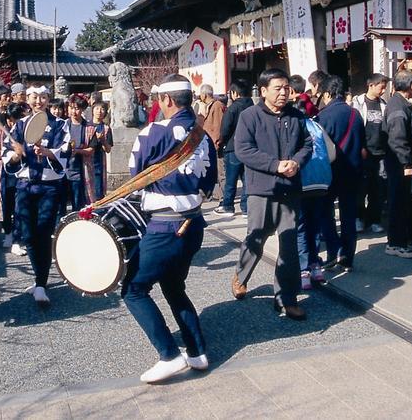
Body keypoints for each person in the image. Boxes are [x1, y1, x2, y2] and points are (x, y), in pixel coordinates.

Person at [122, 74, 217, 383]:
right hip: (194, 223)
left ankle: (169, 354)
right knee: (174, 286)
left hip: (164, 226)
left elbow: (135, 177)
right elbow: (210, 181)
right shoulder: (203, 135)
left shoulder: (153, 132)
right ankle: (197, 352)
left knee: (133, 289)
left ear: (166, 100)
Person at [231, 68, 313, 320]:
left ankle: (286, 299)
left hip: (289, 190)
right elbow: (243, 149)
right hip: (261, 189)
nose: (283, 93)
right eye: (278, 88)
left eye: (286, 88)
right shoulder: (249, 116)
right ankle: (241, 275)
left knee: (288, 245)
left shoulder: (296, 116)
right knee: (255, 238)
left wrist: (296, 162)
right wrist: (275, 165)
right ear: (263, 90)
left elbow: (308, 144)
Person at [4, 85, 69, 305]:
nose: (38, 101)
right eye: (34, 97)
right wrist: (15, 155)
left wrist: (49, 152)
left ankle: (40, 283)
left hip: (49, 187)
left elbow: (66, 150)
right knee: (28, 235)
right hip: (25, 185)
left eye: (42, 97)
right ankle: (39, 279)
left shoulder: (60, 124)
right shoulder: (20, 125)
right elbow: (7, 151)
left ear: (48, 100)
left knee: (43, 232)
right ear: (28, 100)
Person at [315, 75, 365, 271]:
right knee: (348, 215)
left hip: (330, 172)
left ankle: (333, 249)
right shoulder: (355, 114)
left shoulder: (323, 116)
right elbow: (361, 143)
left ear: (327, 94)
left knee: (325, 212)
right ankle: (347, 257)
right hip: (352, 171)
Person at [383, 70, 412, 258]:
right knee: (398, 202)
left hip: (397, 161)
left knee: (401, 202)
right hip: (398, 163)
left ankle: (401, 239)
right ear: (411, 85)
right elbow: (397, 139)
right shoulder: (398, 107)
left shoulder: (399, 103)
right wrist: (406, 163)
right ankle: (396, 244)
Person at [352, 74, 389, 233]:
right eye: (381, 87)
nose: (383, 90)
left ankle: (374, 219)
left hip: (381, 153)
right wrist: (359, 147)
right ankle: (359, 218)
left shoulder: (383, 104)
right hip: (364, 152)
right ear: (371, 85)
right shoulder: (357, 104)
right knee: (361, 188)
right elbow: (354, 128)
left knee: (378, 188)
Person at [214, 81, 251, 216]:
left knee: (231, 178)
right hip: (249, 147)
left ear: (235, 93)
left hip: (233, 147)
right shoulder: (254, 106)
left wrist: (221, 140)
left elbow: (225, 128)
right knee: (247, 178)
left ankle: (228, 205)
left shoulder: (233, 108)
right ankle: (246, 207)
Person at [0, 102, 28, 252]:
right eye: (10, 118)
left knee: (20, 207)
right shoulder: (1, 132)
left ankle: (17, 237)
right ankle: (8, 232)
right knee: (7, 204)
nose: (12, 122)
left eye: (16, 118)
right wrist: (14, 153)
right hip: (6, 171)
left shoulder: (25, 130)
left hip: (23, 173)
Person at [64, 96, 91, 210]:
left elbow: (91, 149)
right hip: (63, 169)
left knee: (77, 203)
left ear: (82, 109)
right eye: (71, 108)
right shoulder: (63, 125)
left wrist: (78, 151)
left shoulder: (88, 127)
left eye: (77, 108)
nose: (74, 111)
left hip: (78, 170)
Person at [86, 102, 113, 200]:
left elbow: (108, 149)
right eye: (97, 109)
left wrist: (103, 140)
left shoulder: (106, 128)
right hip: (85, 162)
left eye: (102, 109)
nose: (99, 112)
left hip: (98, 163)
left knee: (98, 191)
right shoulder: (86, 126)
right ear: (92, 110)